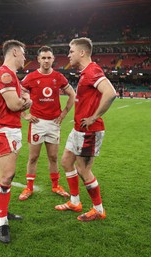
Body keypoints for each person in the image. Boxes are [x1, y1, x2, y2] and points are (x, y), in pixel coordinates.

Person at [55, 37, 116, 221]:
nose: (68, 55)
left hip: (90, 130)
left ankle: (98, 210)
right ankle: (75, 202)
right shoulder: (85, 73)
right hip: (78, 128)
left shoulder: (92, 71)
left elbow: (110, 93)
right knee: (66, 161)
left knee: (83, 170)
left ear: (82, 52)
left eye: (71, 51)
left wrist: (94, 117)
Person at [0, 39, 32, 243]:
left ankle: (1, 211)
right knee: (7, 176)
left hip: (12, 129)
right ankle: (3, 222)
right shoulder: (4, 74)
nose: (25, 57)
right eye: (23, 53)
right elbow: (15, 104)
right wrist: (27, 102)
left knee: (8, 177)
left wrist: (25, 101)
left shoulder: (13, 76)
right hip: (3, 130)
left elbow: (23, 99)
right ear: (14, 52)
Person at [18, 46, 76, 201]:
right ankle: (29, 188)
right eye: (43, 58)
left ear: (53, 59)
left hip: (54, 123)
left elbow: (72, 94)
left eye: (49, 58)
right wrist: (24, 114)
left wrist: (63, 114)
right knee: (33, 157)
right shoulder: (31, 77)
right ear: (38, 59)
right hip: (37, 123)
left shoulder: (59, 77)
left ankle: (56, 185)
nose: (46, 60)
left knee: (53, 157)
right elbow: (17, 93)